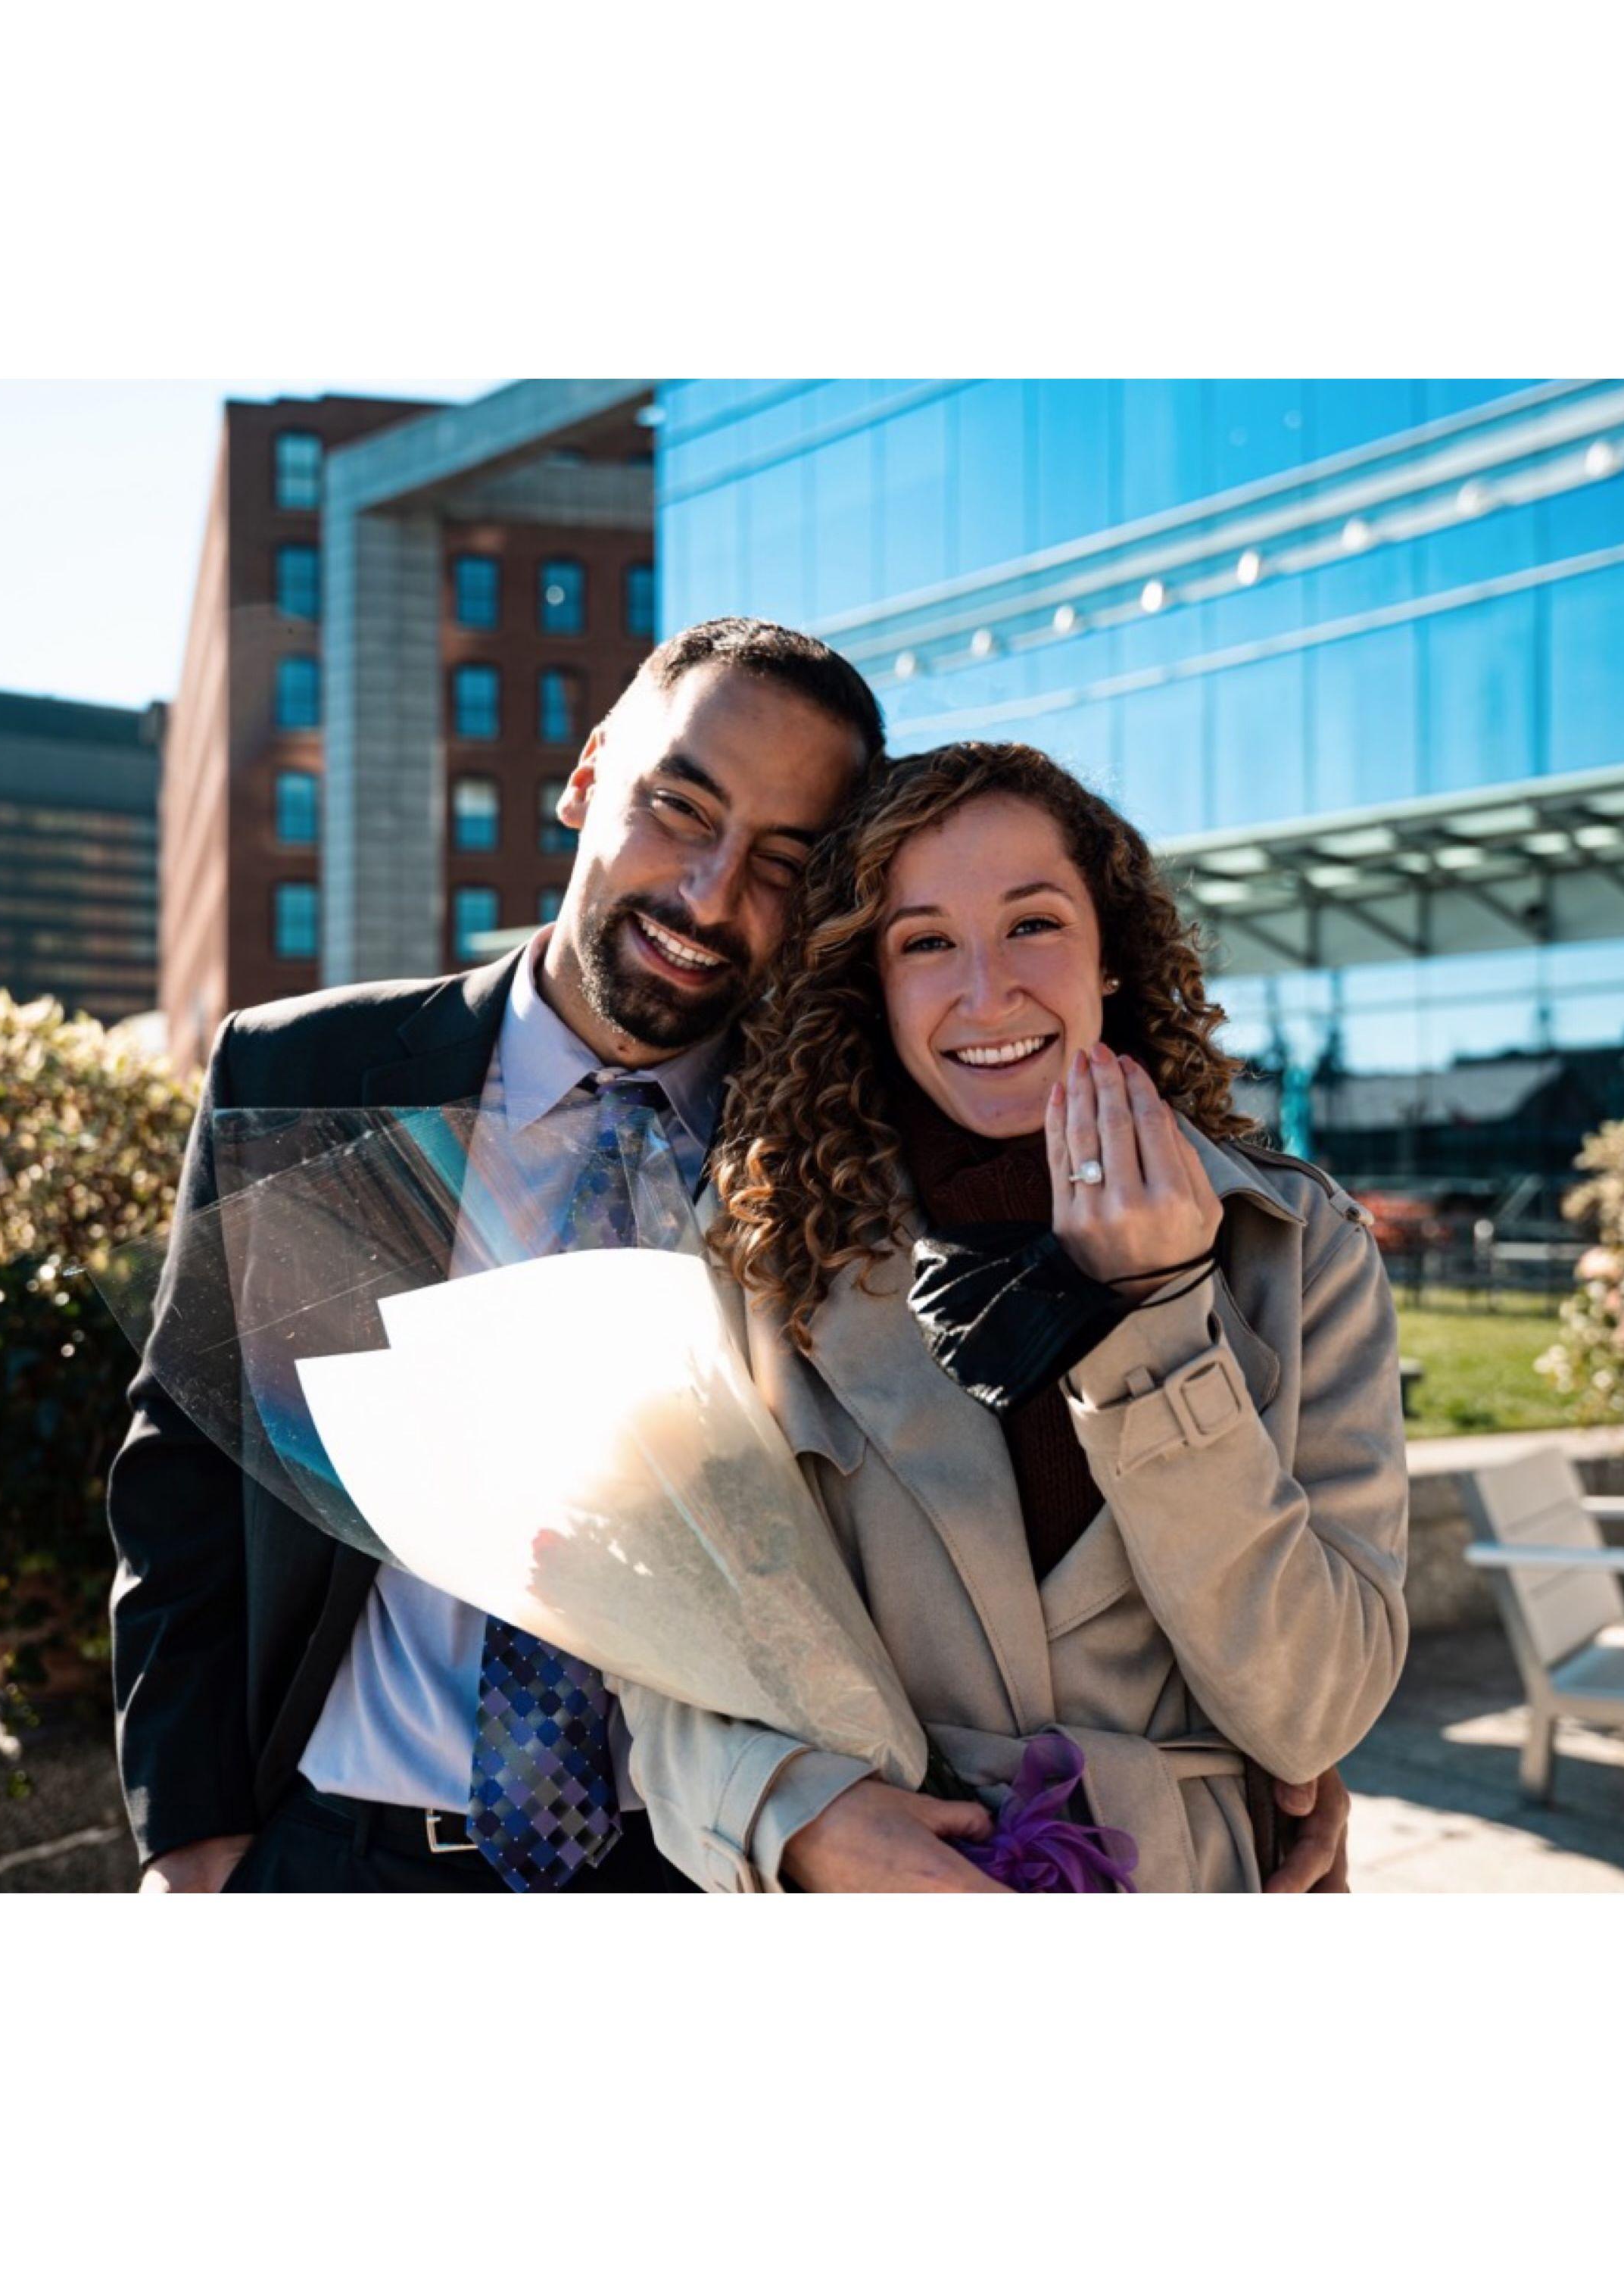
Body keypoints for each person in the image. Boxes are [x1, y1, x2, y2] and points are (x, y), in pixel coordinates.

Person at [111, 623, 1358, 1893]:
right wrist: (188, 1832)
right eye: (680, 810)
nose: (710, 897)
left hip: (702, 1863)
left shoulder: (830, 1151)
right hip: (341, 1841)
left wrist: (1253, 1759)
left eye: (782, 861)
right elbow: (193, 1463)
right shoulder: (303, 1068)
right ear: (588, 775)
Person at [619, 740, 1407, 1891]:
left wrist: (1158, 1315)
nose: (987, 994)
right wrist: (790, 1815)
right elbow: (662, 1653)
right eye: (926, 942)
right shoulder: (753, 1254)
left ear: (1112, 955)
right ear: (873, 984)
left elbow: (1317, 1711)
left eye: (1033, 924)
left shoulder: (1297, 1246)